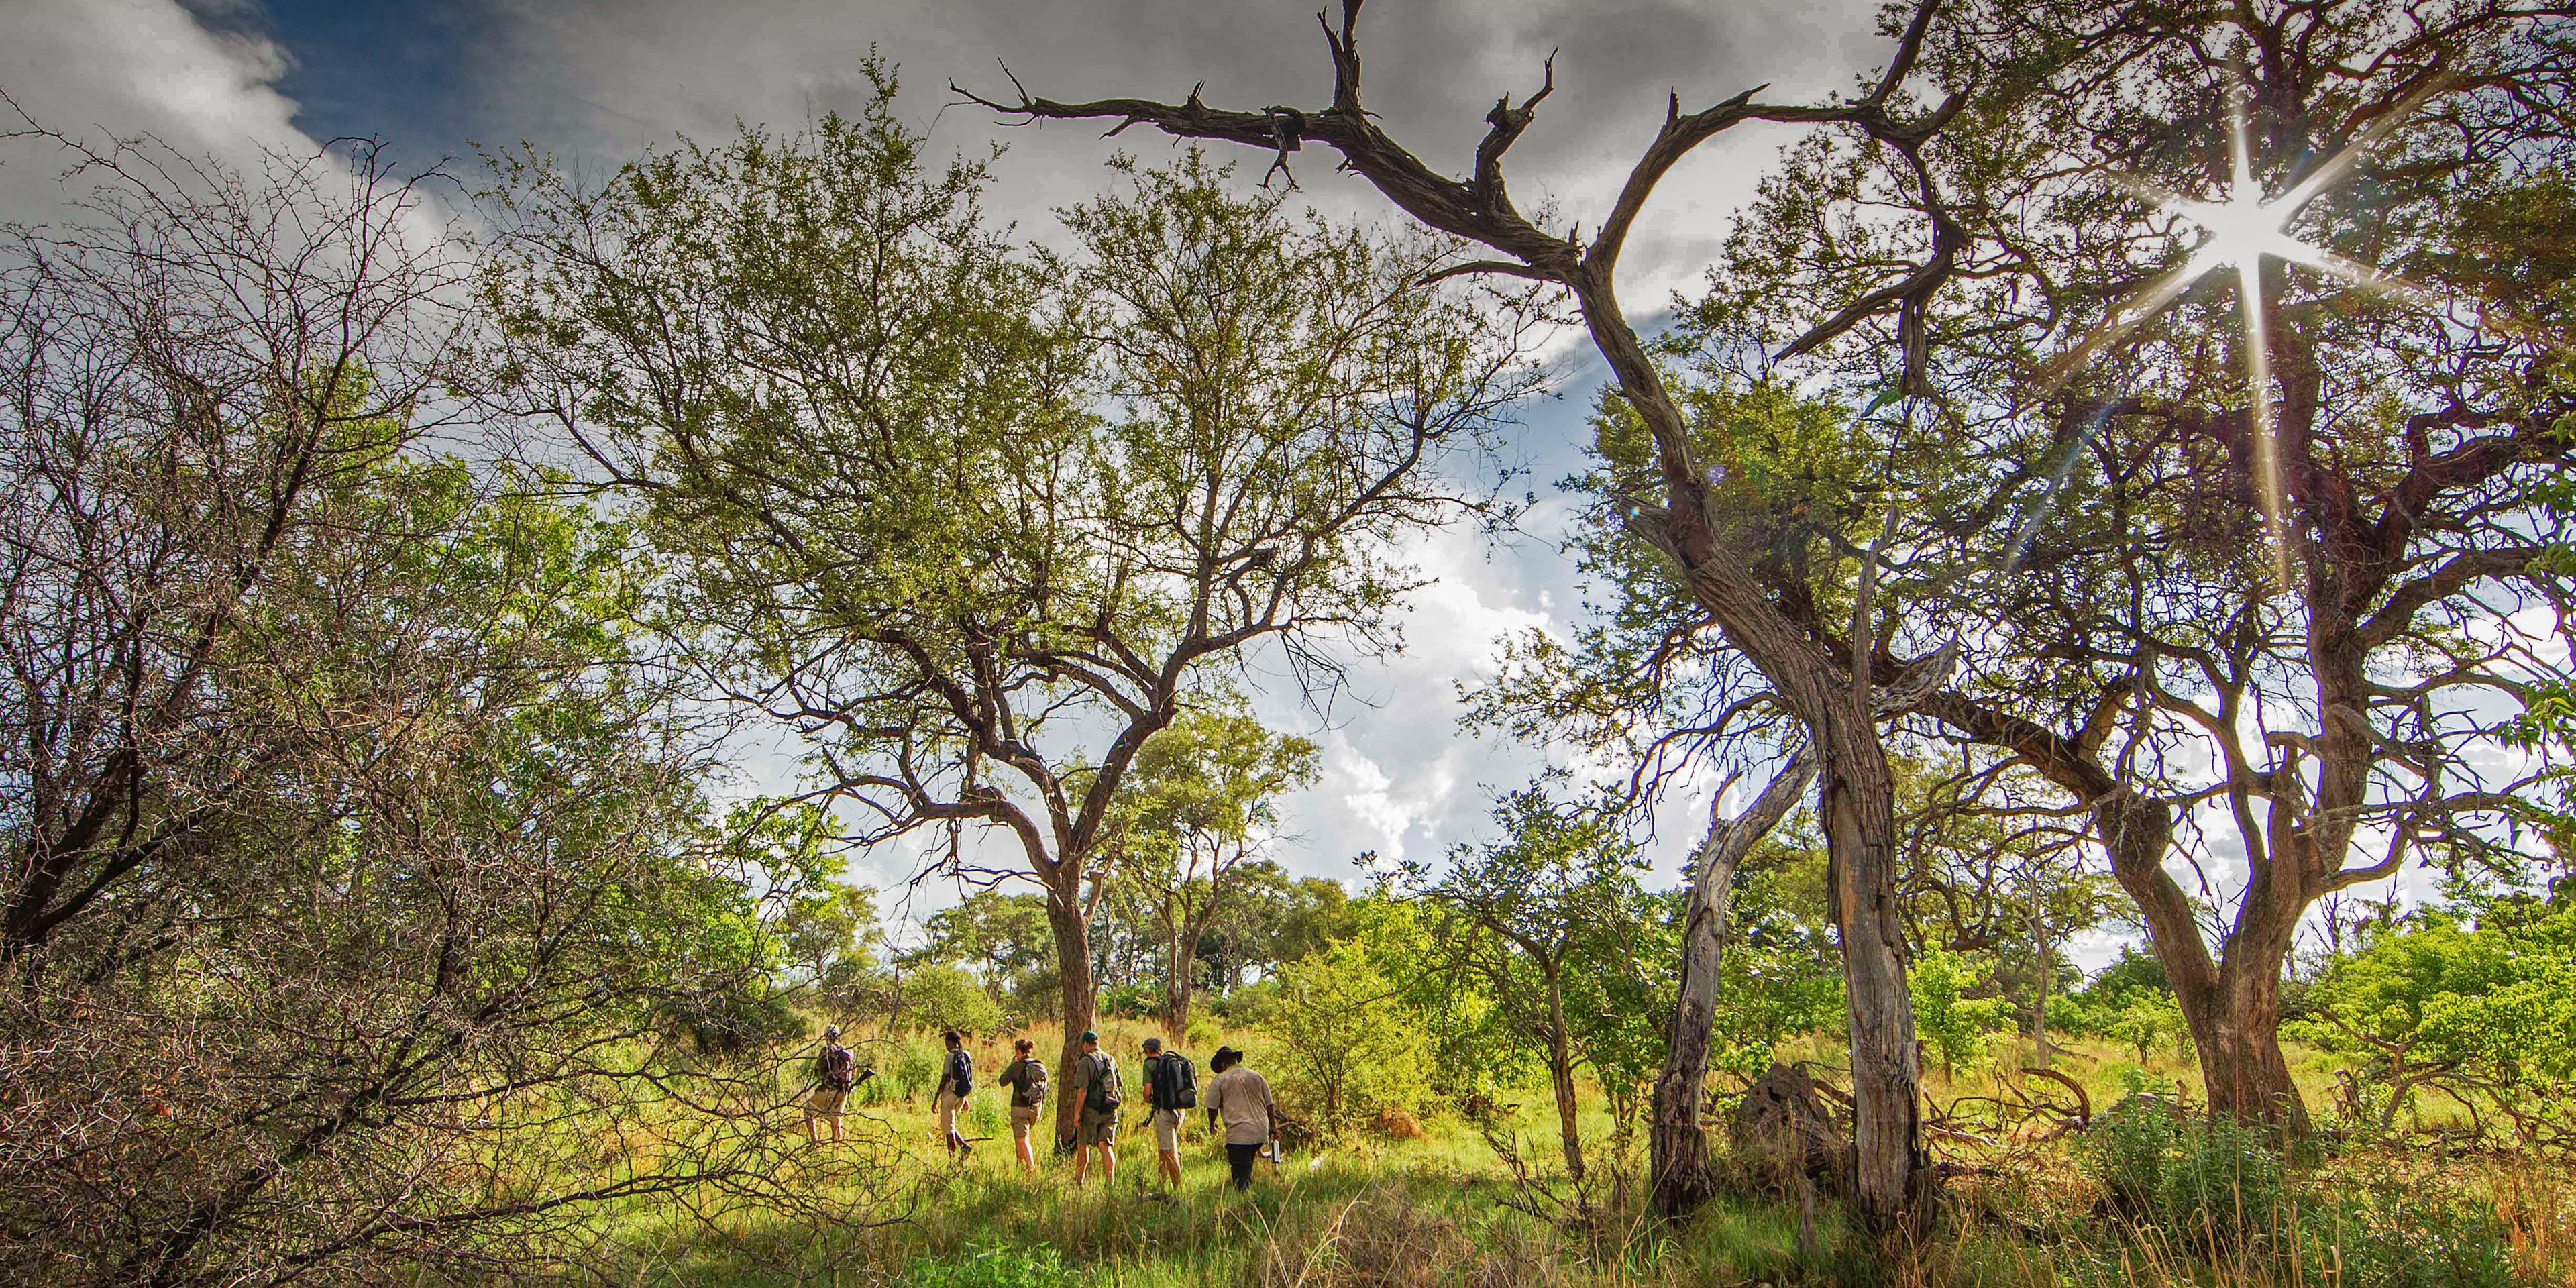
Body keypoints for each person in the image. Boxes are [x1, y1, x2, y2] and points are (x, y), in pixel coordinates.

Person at [1203, 1045, 1275, 1191]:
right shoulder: (1256, 1075)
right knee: (1247, 1166)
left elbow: (1212, 1107)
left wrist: (1212, 1124)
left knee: (1239, 1174)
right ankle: (1250, 1194)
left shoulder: (1220, 1079)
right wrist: (1273, 1127)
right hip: (1260, 1131)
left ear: (1223, 1064)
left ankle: (1243, 1201)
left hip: (1238, 1133)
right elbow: (1269, 1104)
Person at [1140, 1036, 1197, 1189]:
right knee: (1164, 1150)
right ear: (1159, 1049)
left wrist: (1151, 1100)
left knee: (1170, 1152)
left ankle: (1178, 1189)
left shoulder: (1150, 1065)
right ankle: (1160, 1185)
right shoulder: (1172, 1061)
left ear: (1146, 1051)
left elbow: (1147, 1092)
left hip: (1164, 1111)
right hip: (1180, 1110)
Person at [1067, 1029, 1121, 1186]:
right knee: (1106, 1146)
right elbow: (1119, 1085)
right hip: (1110, 1109)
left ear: (1085, 1044)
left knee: (1083, 1144)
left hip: (1092, 1110)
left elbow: (1082, 1090)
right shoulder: (1110, 1059)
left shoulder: (1086, 1061)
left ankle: (1079, 1180)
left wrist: (1077, 1113)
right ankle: (1110, 1182)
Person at [994, 1036, 1049, 1173]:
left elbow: (1002, 1081)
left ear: (1018, 1051)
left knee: (1022, 1140)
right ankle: (1020, 1168)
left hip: (1020, 1108)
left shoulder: (1016, 1066)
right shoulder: (1038, 1065)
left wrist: (1012, 1064)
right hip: (1036, 1108)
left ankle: (1032, 1169)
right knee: (1021, 1139)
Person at [807, 1026, 857, 1144]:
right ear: (838, 1035)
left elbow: (819, 1071)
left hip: (829, 1089)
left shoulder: (826, 1050)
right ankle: (837, 1149)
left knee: (808, 1111)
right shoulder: (848, 1052)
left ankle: (815, 1142)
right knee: (836, 1118)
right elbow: (854, 1072)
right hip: (844, 1091)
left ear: (826, 1036)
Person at [934, 1028, 973, 1158]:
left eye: (947, 1042)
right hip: (961, 1096)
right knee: (950, 1124)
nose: (946, 1045)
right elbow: (968, 1078)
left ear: (951, 1042)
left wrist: (936, 1099)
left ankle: (952, 1156)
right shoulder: (966, 1054)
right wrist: (965, 1097)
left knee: (947, 1129)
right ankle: (964, 1146)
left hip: (949, 1096)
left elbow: (944, 1078)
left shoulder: (949, 1056)